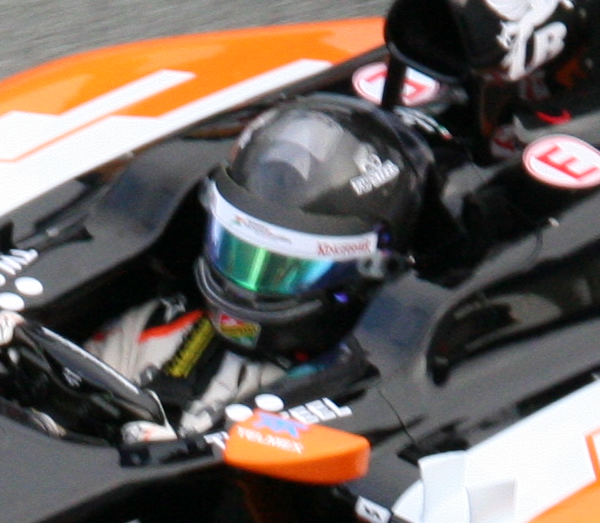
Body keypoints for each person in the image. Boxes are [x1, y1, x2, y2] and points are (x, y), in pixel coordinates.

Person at [59, 95, 430, 422]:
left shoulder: (359, 395)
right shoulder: (152, 332)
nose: (248, 288)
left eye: (285, 267)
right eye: (239, 250)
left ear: (368, 268)